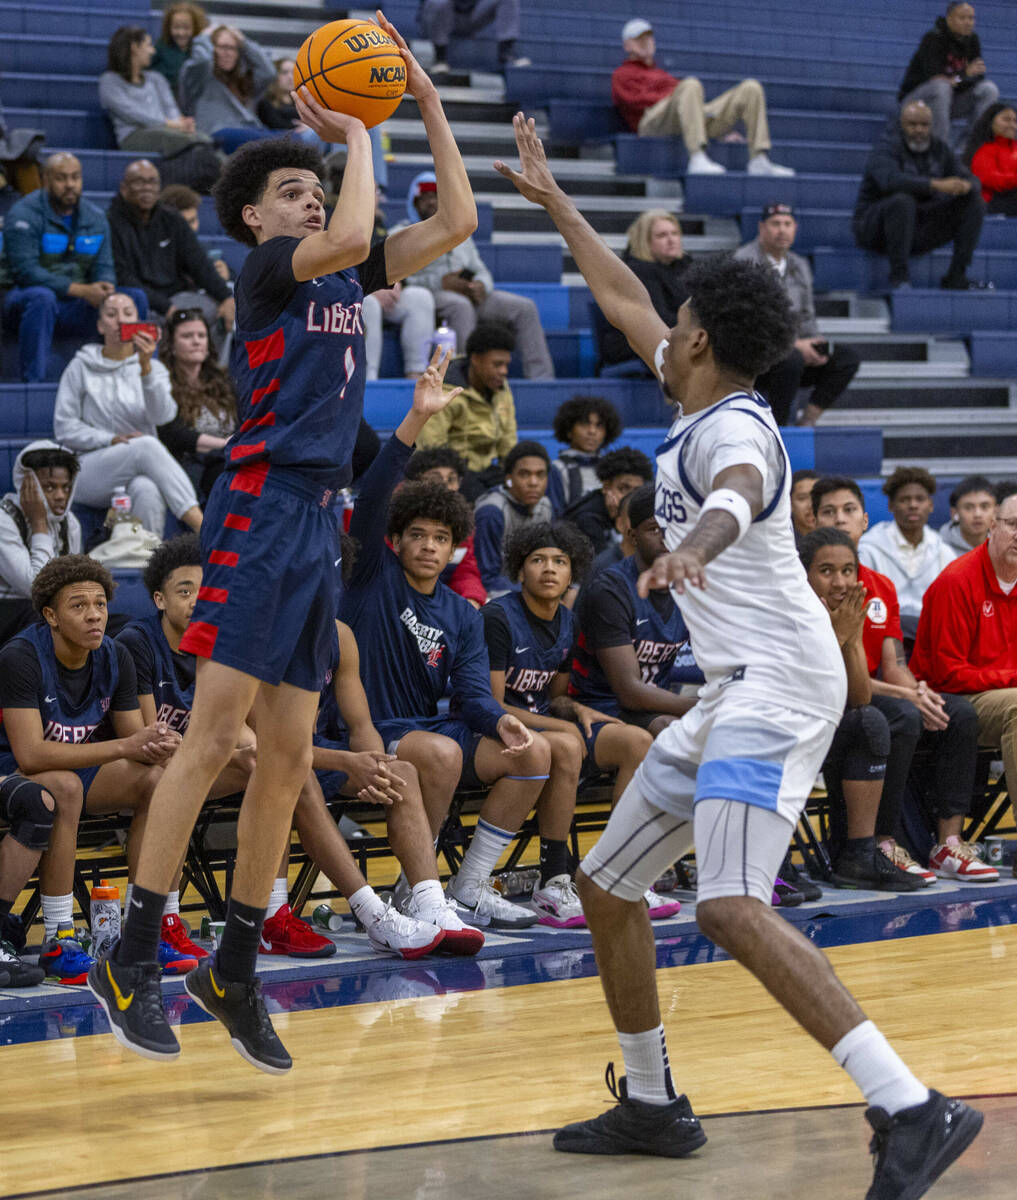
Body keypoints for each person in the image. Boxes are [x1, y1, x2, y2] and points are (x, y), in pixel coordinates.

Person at [495, 114, 981, 1186]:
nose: (657, 328)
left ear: (702, 338)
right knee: (612, 885)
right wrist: (555, 201)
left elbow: (739, 498)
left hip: (779, 691)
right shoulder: (693, 395)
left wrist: (692, 552)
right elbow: (626, 297)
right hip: (730, 690)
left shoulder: (738, 428)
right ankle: (655, 1101)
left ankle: (913, 1104)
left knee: (726, 903)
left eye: (678, 321)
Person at [89, 14, 478, 1074]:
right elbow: (349, 236)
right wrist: (355, 131)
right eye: (293, 191)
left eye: (317, 185)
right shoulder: (267, 277)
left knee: (292, 757)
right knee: (218, 733)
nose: (312, 197)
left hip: (321, 518)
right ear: (257, 217)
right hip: (259, 509)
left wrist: (426, 106)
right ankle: (130, 954)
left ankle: (235, 964)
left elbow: (456, 223)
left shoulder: (344, 286)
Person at [343, 390, 550, 932]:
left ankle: (470, 883)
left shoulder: (463, 612)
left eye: (441, 538)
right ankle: (418, 885)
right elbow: (372, 496)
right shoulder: (372, 578)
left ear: (455, 546)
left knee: (534, 752)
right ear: (394, 540)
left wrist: (501, 719)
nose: (430, 546)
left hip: (429, 727)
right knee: (437, 755)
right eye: (417, 535)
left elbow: (474, 696)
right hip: (367, 731)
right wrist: (416, 418)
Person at [0, 556, 183, 981]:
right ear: (51, 615)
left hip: (78, 768)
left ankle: (141, 930)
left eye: (100, 604)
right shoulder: (21, 656)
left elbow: (135, 742)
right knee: (63, 788)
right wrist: (128, 744)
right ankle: (60, 937)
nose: (94, 615)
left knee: (157, 782)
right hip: (13, 770)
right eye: (78, 606)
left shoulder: (115, 655)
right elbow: (30, 755)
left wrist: (159, 744)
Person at [484, 521, 676, 926]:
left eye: (560, 561)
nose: (549, 569)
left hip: (548, 729)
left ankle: (620, 871)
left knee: (637, 742)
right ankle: (554, 879)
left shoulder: (569, 623)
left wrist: (573, 709)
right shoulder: (497, 617)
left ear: (573, 573)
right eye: (538, 560)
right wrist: (560, 725)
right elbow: (491, 703)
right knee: (568, 743)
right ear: (520, 570)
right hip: (496, 732)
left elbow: (554, 697)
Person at [813, 476, 990, 884]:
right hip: (832, 697)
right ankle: (884, 842)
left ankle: (948, 844)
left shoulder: (882, 586)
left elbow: (892, 663)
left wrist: (919, 691)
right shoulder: (807, 583)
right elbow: (838, 676)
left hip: (873, 689)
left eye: (849, 510)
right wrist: (905, 696)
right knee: (901, 715)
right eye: (829, 511)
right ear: (812, 518)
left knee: (955, 712)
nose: (841, 519)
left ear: (864, 519)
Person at [799, 528, 928, 891]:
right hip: (786, 719)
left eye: (847, 570)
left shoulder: (849, 610)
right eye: (826, 571)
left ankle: (861, 852)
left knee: (871, 720)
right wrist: (836, 636)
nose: (840, 582)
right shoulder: (789, 612)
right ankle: (781, 861)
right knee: (873, 721)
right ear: (803, 574)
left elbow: (858, 697)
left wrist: (851, 636)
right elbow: (804, 689)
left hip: (825, 721)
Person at [910, 491, 1017, 842]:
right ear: (992, 525)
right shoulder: (957, 581)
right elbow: (947, 674)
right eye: (1013, 524)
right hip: (953, 699)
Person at [53, 291, 204, 537]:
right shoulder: (80, 366)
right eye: (112, 315)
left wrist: (145, 370)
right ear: (101, 326)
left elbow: (163, 416)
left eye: (128, 314)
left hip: (140, 467)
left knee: (147, 490)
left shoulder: (153, 368)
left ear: (139, 322)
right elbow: (64, 428)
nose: (120, 321)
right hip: (88, 469)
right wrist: (109, 439)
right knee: (144, 444)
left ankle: (145, 565)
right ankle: (203, 526)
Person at [2, 153, 147, 384]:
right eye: (61, 178)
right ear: (46, 180)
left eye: (75, 177)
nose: (70, 185)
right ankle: (33, 383)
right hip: (25, 300)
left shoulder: (95, 217)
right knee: (42, 297)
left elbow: (105, 266)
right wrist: (81, 290)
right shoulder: (24, 214)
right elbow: (26, 272)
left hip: (75, 304)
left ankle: (138, 377)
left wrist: (105, 289)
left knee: (134, 298)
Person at [396, 172, 554, 379]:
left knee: (524, 308)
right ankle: (470, 379)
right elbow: (401, 280)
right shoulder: (402, 233)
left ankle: (541, 379)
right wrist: (441, 283)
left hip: (471, 294)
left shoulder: (459, 232)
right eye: (425, 198)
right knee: (460, 305)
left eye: (436, 196)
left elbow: (481, 270)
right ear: (414, 202)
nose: (432, 202)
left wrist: (481, 286)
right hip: (434, 297)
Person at [570, 484, 700, 736]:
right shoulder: (610, 590)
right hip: (602, 707)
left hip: (656, 707)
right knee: (675, 731)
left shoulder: (690, 586)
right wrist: (704, 707)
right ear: (632, 537)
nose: (666, 538)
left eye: (675, 529)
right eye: (654, 529)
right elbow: (629, 691)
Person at [611, 18, 793, 177]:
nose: (646, 42)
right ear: (627, 45)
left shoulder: (663, 75)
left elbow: (687, 105)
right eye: (639, 39)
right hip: (651, 122)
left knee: (750, 88)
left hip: (680, 118)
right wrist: (672, 97)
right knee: (691, 84)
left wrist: (720, 127)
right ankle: (697, 156)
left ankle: (758, 158)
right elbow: (630, 101)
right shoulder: (623, 74)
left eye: (648, 37)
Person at [735, 203, 860, 426]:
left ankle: (808, 420)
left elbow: (807, 315)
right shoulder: (743, 262)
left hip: (792, 350)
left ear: (795, 228)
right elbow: (748, 322)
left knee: (845, 358)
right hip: (755, 355)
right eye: (775, 224)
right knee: (791, 358)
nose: (782, 230)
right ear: (761, 227)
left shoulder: (799, 264)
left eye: (787, 224)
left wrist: (815, 343)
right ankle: (778, 429)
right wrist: (795, 345)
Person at [853, 101, 986, 291]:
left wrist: (966, 185)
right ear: (902, 124)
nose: (919, 130)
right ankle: (899, 278)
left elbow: (970, 178)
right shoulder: (885, 148)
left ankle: (956, 276)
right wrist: (936, 185)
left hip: (917, 228)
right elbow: (890, 181)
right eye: (912, 124)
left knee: (975, 202)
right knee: (902, 201)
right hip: (875, 229)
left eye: (924, 125)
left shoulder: (939, 148)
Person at [108, 159, 235, 330]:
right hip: (138, 302)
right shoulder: (110, 222)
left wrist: (226, 297)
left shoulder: (172, 219)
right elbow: (122, 276)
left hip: (177, 297)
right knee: (131, 309)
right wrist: (166, 308)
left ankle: (212, 358)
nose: (147, 187)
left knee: (227, 311)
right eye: (139, 182)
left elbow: (199, 263)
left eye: (152, 182)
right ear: (124, 188)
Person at [415, 320, 518, 495]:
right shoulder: (442, 388)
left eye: (506, 365)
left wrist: (512, 474)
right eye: (497, 364)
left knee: (523, 487)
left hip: (487, 471)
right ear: (476, 360)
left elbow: (508, 441)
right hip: (453, 472)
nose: (504, 371)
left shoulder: (502, 388)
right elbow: (431, 448)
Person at [858, 466, 955, 640]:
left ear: (931, 505)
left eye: (920, 499)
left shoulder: (944, 551)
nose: (913, 505)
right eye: (904, 499)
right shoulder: (869, 549)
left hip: (931, 638)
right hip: (883, 636)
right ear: (890, 506)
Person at [0, 442, 82, 644]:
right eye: (50, 487)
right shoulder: (4, 520)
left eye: (66, 487)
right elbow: (35, 587)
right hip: (10, 612)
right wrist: (39, 526)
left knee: (119, 624)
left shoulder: (69, 523)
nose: (61, 496)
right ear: (28, 485)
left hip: (51, 610)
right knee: (44, 619)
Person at [156, 308, 237, 501]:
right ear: (172, 345)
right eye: (187, 336)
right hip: (191, 463)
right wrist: (224, 445)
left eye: (201, 335)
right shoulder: (161, 382)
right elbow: (171, 433)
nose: (196, 341)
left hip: (231, 457)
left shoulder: (224, 381)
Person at [599, 210, 691, 371]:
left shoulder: (685, 265)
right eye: (662, 235)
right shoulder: (638, 271)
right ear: (645, 242)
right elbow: (658, 318)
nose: (671, 240)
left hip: (674, 337)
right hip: (632, 345)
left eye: (675, 233)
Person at [99, 26, 211, 157]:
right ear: (134, 47)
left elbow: (170, 108)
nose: (153, 51)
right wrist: (169, 124)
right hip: (133, 136)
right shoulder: (109, 81)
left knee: (204, 138)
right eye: (149, 45)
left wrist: (180, 124)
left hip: (168, 131)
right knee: (187, 141)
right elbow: (132, 113)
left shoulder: (156, 78)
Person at [898, 3, 998, 149]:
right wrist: (964, 75)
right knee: (942, 87)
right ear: (949, 19)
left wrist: (960, 78)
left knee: (989, 89)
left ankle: (969, 147)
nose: (968, 22)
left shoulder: (973, 40)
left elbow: (977, 77)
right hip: (918, 101)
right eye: (962, 18)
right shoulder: (933, 38)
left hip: (949, 102)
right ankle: (940, 148)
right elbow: (936, 77)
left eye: (971, 18)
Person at [362, 186, 436, 380]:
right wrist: (368, 287)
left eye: (377, 193)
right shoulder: (332, 217)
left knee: (420, 297)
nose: (376, 197)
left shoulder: (379, 223)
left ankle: (417, 373)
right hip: (355, 293)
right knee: (368, 304)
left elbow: (389, 259)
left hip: (382, 291)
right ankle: (368, 379)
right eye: (372, 192)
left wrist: (395, 280)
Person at [404, 447, 486, 606]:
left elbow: (466, 573)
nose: (445, 486)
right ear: (416, 481)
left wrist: (471, 599)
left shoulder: (462, 523)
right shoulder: (397, 518)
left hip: (442, 603)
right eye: (435, 478)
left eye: (451, 479)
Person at [473, 440, 553, 598]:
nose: (533, 483)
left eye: (540, 475)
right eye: (525, 474)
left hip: (527, 586)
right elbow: (486, 577)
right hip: (489, 593)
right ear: (509, 479)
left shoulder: (545, 506)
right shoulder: (491, 512)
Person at [179, 25, 276, 153]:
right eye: (223, 47)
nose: (228, 53)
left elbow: (269, 72)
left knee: (298, 139)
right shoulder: (199, 77)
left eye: (233, 48)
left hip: (251, 132)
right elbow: (203, 60)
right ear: (211, 48)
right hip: (217, 135)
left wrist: (245, 43)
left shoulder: (243, 81)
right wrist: (203, 37)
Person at [562, 446, 653, 555]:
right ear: (606, 487)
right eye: (624, 488)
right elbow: (602, 566)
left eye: (637, 490)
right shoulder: (587, 518)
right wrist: (619, 522)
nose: (631, 497)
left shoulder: (638, 511)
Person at [548, 395, 622, 514]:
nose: (592, 431)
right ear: (569, 431)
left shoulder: (615, 468)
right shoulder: (557, 469)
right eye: (584, 424)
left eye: (599, 426)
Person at [419, 0, 530, 75]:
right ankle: (440, 57)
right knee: (438, 2)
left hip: (471, 16)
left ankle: (506, 53)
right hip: (443, 17)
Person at [966, 102, 1017, 215]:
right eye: (1006, 120)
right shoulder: (982, 149)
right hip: (991, 202)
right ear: (991, 122)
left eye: (1015, 121)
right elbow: (991, 180)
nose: (1012, 125)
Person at [152, 3, 209, 95]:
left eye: (186, 28)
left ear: (196, 28)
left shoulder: (200, 49)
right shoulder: (161, 47)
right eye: (176, 27)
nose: (181, 33)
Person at [940, 473, 996, 556]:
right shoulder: (939, 547)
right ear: (954, 513)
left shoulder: (1005, 545)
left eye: (984, 507)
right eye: (968, 508)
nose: (977, 514)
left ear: (996, 511)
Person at [790, 468, 819, 540]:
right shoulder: (782, 542)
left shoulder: (838, 540)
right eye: (802, 498)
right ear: (790, 504)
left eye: (817, 496)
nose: (811, 505)